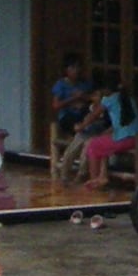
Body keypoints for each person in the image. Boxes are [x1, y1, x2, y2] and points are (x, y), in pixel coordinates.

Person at [79, 80, 138, 184]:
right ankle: (103, 175)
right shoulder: (127, 98)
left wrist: (81, 126)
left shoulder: (109, 99)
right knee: (103, 140)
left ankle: (95, 180)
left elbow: (93, 115)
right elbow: (121, 123)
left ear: (106, 89)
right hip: (137, 138)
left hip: (125, 139)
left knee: (93, 145)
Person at [49, 52, 94, 182]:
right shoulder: (61, 85)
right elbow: (56, 105)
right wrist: (72, 99)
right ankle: (68, 170)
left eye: (78, 67)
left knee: (86, 132)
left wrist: (83, 97)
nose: (76, 71)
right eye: (73, 68)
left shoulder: (85, 84)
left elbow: (94, 99)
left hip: (84, 115)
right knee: (79, 131)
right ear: (66, 69)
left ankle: (81, 170)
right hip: (67, 117)